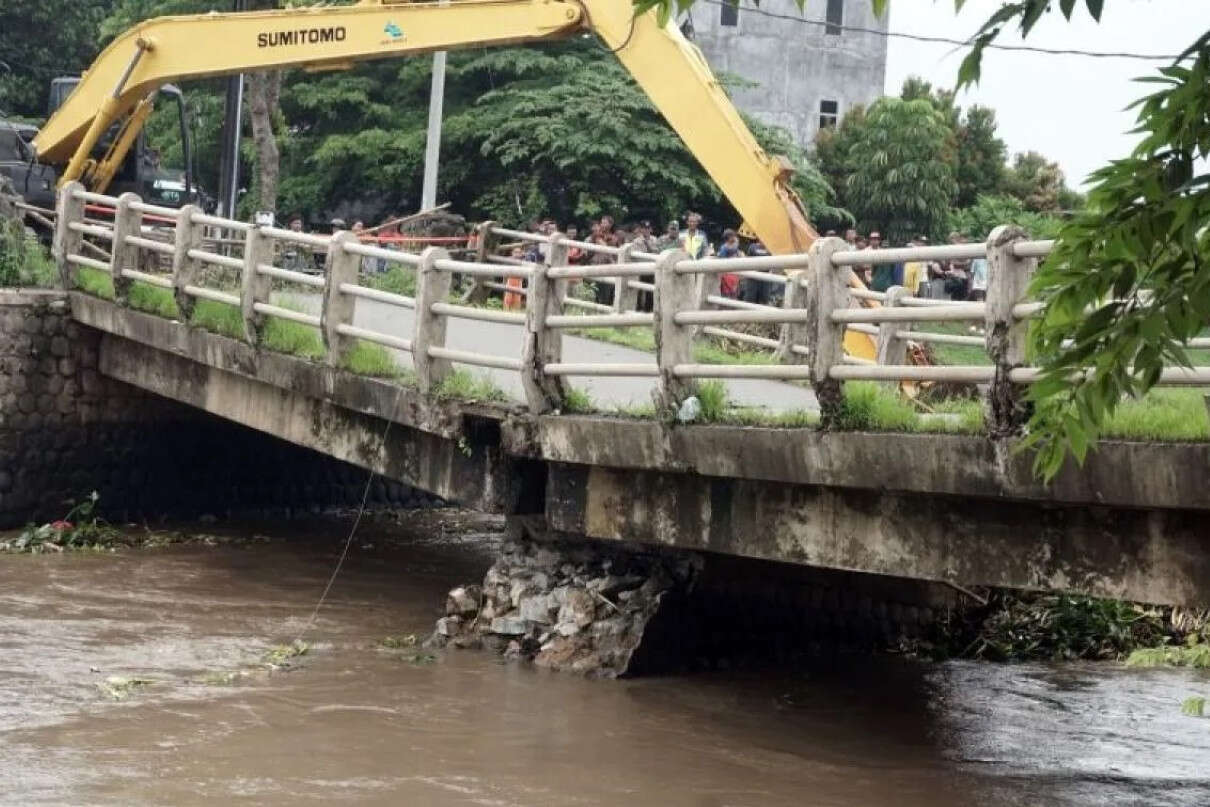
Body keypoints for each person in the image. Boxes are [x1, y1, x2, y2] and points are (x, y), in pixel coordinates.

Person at [739, 239, 775, 305]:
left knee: (764, 298)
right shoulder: (752, 247)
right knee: (750, 297)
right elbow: (748, 260)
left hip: (765, 276)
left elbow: (773, 262)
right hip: (753, 276)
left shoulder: (770, 248)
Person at [716, 228, 741, 298]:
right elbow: (722, 259)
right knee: (726, 293)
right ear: (729, 237)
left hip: (734, 274)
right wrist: (737, 243)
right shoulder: (724, 247)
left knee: (734, 293)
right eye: (733, 236)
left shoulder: (734, 247)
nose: (735, 238)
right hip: (727, 274)